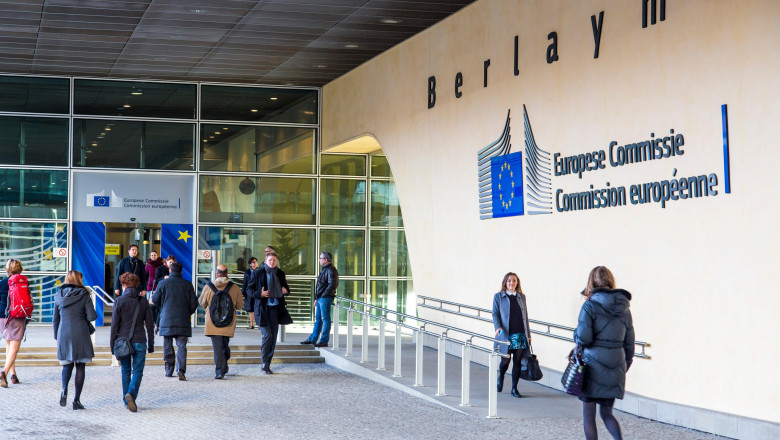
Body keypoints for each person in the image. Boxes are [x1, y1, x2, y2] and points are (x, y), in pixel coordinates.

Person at [574, 266, 635, 440]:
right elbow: (629, 342)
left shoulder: (589, 305)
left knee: (589, 416)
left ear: (591, 283)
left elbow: (584, 338)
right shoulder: (624, 308)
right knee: (607, 414)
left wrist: (576, 334)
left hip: (592, 366)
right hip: (616, 364)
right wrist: (624, 366)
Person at [110, 272, 154, 413]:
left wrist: (112, 345)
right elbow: (150, 325)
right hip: (140, 340)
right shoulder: (143, 301)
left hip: (123, 341)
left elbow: (114, 325)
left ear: (124, 285)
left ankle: (126, 400)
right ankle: (131, 394)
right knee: (138, 371)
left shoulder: (119, 301)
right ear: (136, 284)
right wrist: (151, 344)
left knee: (125, 370)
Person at [53, 270, 97, 410]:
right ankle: (76, 400)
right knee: (80, 366)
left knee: (67, 365)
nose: (83, 281)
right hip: (81, 332)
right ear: (78, 279)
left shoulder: (58, 295)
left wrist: (56, 336)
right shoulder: (84, 294)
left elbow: (55, 319)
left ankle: (64, 389)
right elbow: (92, 316)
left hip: (63, 332)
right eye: (81, 279)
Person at [152, 262, 198, 381]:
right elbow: (194, 304)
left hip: (166, 319)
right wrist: (187, 313)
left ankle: (169, 369)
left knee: (167, 345)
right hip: (183, 319)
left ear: (170, 271)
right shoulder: (187, 284)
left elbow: (155, 300)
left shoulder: (163, 283)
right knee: (181, 346)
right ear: (181, 271)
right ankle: (181, 371)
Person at [249, 253, 293, 374]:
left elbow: (287, 289)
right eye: (270, 260)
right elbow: (249, 290)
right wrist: (260, 294)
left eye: (274, 260)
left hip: (275, 309)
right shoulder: (258, 273)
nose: (272, 262)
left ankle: (267, 364)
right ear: (265, 261)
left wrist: (285, 291)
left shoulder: (280, 273)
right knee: (267, 335)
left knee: (273, 338)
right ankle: (264, 362)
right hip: (262, 309)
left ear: (276, 261)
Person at [492, 272, 532, 398]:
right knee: (505, 361)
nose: (511, 283)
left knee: (518, 362)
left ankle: (514, 388)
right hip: (506, 335)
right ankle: (501, 376)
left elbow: (525, 316)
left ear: (517, 282)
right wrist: (497, 327)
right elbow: (495, 314)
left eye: (514, 280)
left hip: (520, 334)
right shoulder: (498, 297)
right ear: (505, 282)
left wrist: (528, 334)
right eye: (509, 280)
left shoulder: (521, 297)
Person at [199, 265, 243, 379]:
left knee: (217, 347)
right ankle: (223, 365)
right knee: (225, 345)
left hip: (212, 322)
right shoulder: (235, 287)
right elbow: (239, 305)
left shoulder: (208, 286)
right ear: (227, 273)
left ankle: (220, 371)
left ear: (217, 274)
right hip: (228, 321)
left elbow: (202, 303)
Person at [301, 251, 339, 347]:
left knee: (325, 319)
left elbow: (332, 284)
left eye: (320, 258)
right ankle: (313, 339)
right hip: (321, 298)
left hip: (325, 298)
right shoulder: (325, 269)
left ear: (325, 260)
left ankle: (324, 341)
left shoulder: (331, 270)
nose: (319, 260)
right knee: (318, 319)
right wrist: (317, 298)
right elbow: (320, 286)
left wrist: (323, 295)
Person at [1, 258, 28, 388]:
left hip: (3, 316)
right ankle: (4, 372)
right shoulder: (24, 282)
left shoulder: (2, 283)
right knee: (14, 348)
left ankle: (13, 374)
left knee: (8, 346)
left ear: (7, 269)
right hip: (18, 316)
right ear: (20, 269)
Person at [241, 257, 258, 329]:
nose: (255, 263)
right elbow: (245, 283)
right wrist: (243, 292)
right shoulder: (247, 272)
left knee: (258, 308)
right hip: (249, 292)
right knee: (251, 309)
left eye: (255, 262)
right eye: (253, 262)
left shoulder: (260, 271)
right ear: (250, 264)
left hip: (257, 292)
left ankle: (259, 324)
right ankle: (251, 324)